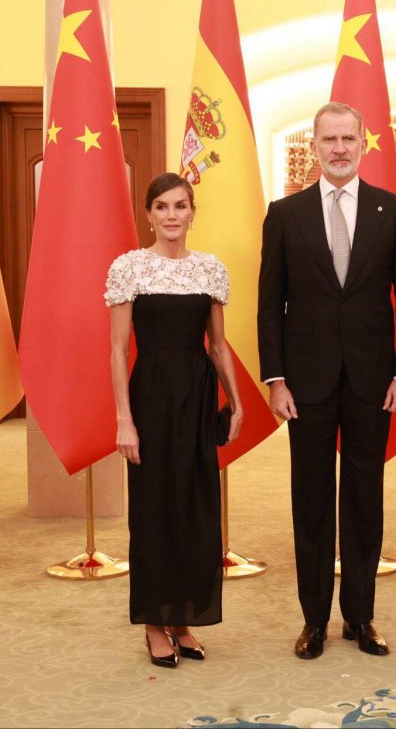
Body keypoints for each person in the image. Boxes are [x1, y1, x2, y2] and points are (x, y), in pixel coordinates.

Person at [257, 102, 396, 660]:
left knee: (363, 498)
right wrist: (275, 379)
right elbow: (268, 305)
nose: (339, 148)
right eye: (329, 139)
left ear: (363, 143)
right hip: (303, 383)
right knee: (310, 499)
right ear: (314, 145)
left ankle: (361, 617)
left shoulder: (392, 210)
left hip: (374, 380)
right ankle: (313, 621)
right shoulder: (285, 213)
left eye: (348, 138)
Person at [106, 172, 243, 669]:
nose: (171, 215)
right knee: (153, 510)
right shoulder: (129, 268)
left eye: (180, 206)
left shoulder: (210, 269)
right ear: (148, 213)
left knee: (195, 508)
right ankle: (152, 624)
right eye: (161, 206)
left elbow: (219, 344)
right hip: (150, 398)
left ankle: (183, 619)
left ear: (192, 213)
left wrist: (238, 399)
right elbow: (119, 351)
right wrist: (124, 419)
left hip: (198, 396)